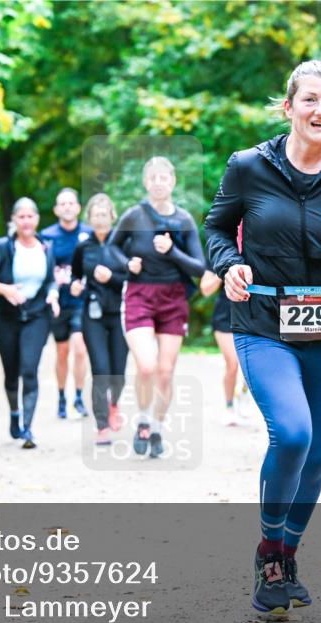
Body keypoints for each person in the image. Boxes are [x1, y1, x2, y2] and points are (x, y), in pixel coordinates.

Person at [203, 60, 321, 616]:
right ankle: (268, 551)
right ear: (289, 107)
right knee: (292, 433)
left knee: (318, 455)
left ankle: (287, 555)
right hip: (263, 324)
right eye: (309, 100)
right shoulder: (247, 167)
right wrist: (231, 262)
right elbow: (215, 227)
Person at [108, 156, 206, 458]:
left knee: (165, 371)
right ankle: (142, 419)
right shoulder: (134, 216)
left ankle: (158, 428)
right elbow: (111, 246)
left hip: (173, 299)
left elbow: (199, 267)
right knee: (147, 365)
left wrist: (173, 251)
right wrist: (127, 263)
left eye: (164, 177)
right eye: (153, 178)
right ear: (146, 182)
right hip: (139, 294)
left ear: (173, 181)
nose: (159, 183)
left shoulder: (184, 220)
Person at [0, 198, 60, 450]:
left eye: (30, 216)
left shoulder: (46, 247)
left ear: (37, 220)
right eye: (21, 217)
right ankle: (15, 413)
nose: (26, 221)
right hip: (5, 318)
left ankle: (28, 428)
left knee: (29, 369)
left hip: (37, 316)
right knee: (12, 373)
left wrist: (53, 293)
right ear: (14, 220)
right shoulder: (3, 247)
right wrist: (4, 289)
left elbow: (50, 280)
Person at [70, 193, 128, 445]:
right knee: (100, 370)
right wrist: (74, 286)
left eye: (105, 214)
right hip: (92, 313)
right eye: (96, 215)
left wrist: (112, 278)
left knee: (118, 372)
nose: (100, 219)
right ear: (90, 218)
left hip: (121, 313)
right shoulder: (83, 246)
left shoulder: (123, 243)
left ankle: (114, 404)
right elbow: (75, 277)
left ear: (112, 216)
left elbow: (134, 278)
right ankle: (102, 425)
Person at [41, 188, 94, 419]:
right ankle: (62, 398)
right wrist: (54, 277)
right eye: (62, 204)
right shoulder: (46, 236)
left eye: (71, 203)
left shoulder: (89, 234)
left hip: (81, 300)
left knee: (80, 348)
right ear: (56, 209)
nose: (67, 207)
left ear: (78, 207)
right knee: (62, 352)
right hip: (57, 302)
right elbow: (41, 269)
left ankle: (79, 397)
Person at [200, 270, 245, 426]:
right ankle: (229, 407)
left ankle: (241, 398)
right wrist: (221, 273)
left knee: (248, 370)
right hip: (225, 317)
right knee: (232, 364)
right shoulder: (219, 252)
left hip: (252, 315)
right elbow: (205, 290)